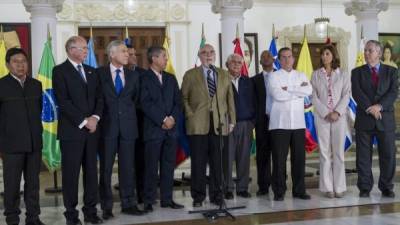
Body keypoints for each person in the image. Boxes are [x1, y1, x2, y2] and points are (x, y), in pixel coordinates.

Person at [53, 36, 104, 225]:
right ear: (70, 50)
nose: (86, 51)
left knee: (91, 173)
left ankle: (90, 212)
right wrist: (84, 121)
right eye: (82, 48)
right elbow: (63, 102)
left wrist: (95, 118)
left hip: (92, 132)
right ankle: (71, 215)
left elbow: (100, 98)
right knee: (71, 175)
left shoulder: (92, 71)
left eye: (86, 49)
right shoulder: (59, 71)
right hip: (72, 133)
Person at [181, 43, 236, 207]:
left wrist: (232, 120)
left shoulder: (223, 74)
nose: (208, 55)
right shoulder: (190, 75)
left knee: (218, 163)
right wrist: (191, 115)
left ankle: (216, 195)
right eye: (205, 52)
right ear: (199, 55)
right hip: (198, 124)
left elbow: (230, 98)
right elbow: (183, 98)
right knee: (198, 162)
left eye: (211, 52)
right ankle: (198, 197)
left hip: (219, 123)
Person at [97, 40, 144, 219]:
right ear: (112, 54)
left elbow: (136, 100)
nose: (128, 54)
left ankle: (128, 203)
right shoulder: (99, 74)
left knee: (127, 168)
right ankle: (106, 207)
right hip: (107, 128)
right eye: (124, 51)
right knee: (106, 170)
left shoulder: (133, 76)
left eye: (127, 51)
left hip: (128, 128)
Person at [0, 48, 44, 225]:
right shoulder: (1, 85)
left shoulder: (36, 84)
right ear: (7, 64)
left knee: (33, 184)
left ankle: (33, 218)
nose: (20, 65)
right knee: (11, 185)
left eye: (23, 61)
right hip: (11, 145)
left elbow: (39, 110)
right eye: (16, 61)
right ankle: (12, 218)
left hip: (34, 143)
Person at [351, 40, 398, 198]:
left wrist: (379, 107)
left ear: (379, 53)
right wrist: (371, 109)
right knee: (363, 157)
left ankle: (386, 186)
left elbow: (393, 93)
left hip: (385, 119)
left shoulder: (392, 71)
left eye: (370, 50)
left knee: (388, 155)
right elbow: (357, 93)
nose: (366, 53)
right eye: (365, 50)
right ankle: (364, 187)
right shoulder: (356, 72)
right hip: (365, 119)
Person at [140, 46, 184, 212]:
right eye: (164, 57)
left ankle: (167, 199)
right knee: (151, 167)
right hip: (153, 130)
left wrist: (171, 118)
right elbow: (145, 102)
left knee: (168, 167)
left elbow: (178, 102)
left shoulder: (171, 78)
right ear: (154, 58)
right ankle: (149, 200)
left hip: (171, 131)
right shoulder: (143, 77)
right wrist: (163, 119)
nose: (167, 60)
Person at [268, 47, 312, 201]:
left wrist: (289, 89)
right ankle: (279, 191)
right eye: (284, 57)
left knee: (299, 159)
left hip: (298, 124)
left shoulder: (301, 74)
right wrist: (297, 92)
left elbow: (308, 91)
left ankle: (299, 190)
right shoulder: (273, 77)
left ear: (293, 59)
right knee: (279, 160)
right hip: (279, 124)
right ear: (279, 60)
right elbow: (277, 95)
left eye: (289, 57)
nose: (287, 60)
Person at [311, 45, 350, 198]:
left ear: (333, 55)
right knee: (324, 153)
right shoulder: (315, 75)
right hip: (322, 118)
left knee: (338, 153)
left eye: (327, 53)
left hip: (339, 118)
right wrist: (326, 113)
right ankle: (328, 187)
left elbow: (346, 94)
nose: (324, 56)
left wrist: (337, 112)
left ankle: (339, 187)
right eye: (322, 54)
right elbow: (313, 96)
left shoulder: (343, 74)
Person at [224, 53, 255, 199]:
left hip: (245, 124)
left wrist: (252, 122)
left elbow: (255, 102)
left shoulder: (248, 82)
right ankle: (228, 188)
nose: (236, 65)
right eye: (233, 62)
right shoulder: (221, 81)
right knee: (227, 157)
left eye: (239, 62)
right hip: (227, 124)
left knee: (244, 158)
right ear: (227, 64)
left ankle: (242, 188)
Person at [251, 50, 274, 196]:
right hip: (261, 121)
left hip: (279, 120)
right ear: (260, 62)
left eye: (268, 56)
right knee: (262, 155)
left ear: (273, 59)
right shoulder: (254, 80)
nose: (265, 58)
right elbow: (252, 102)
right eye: (263, 57)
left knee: (279, 154)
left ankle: (279, 185)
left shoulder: (280, 76)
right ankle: (263, 186)